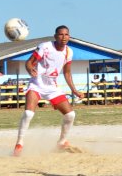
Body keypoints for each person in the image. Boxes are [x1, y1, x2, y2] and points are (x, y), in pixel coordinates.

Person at [12, 25, 84, 156]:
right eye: (61, 34)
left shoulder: (69, 52)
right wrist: (30, 69)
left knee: (70, 115)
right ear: (55, 36)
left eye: (66, 34)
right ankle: (19, 143)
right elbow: (29, 62)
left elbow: (67, 73)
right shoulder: (44, 46)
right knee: (28, 113)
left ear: (69, 36)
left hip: (52, 87)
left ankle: (61, 142)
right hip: (37, 84)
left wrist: (74, 90)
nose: (64, 37)